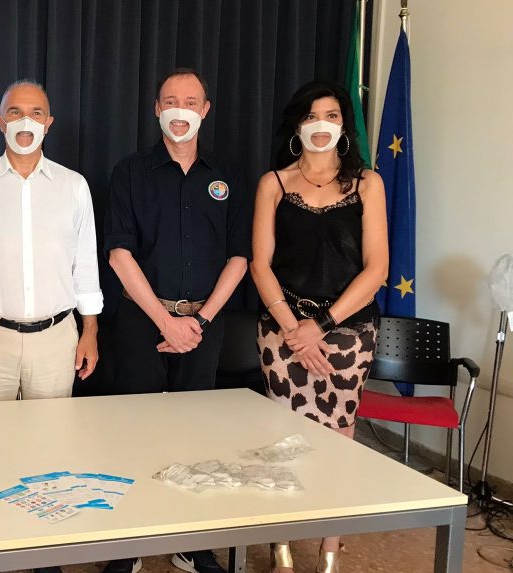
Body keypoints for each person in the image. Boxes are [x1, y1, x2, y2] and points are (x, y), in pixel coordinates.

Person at [102, 68, 250, 573]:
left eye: (190, 101)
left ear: (205, 110)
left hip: (205, 323)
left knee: (194, 435)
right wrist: (165, 322)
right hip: (142, 320)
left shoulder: (227, 175)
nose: (179, 110)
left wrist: (199, 322)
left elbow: (239, 257)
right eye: (170, 101)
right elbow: (119, 254)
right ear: (156, 110)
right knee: (133, 432)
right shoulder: (130, 172)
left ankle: (192, 542)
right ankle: (127, 545)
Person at [250, 81, 388, 573]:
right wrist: (296, 330)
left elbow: (377, 269)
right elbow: (260, 265)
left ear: (344, 125)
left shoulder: (368, 184)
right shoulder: (273, 183)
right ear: (297, 125)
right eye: (311, 116)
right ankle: (282, 542)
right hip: (282, 331)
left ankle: (331, 545)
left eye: (331, 115)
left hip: (348, 333)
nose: (321, 125)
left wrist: (322, 326)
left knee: (339, 438)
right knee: (282, 439)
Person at [0, 80, 103, 402]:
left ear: (48, 124)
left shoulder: (74, 187)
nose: (25, 122)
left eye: (36, 113)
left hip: (55, 340)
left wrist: (90, 332)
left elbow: (85, 267)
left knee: (52, 433)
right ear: (0, 122)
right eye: (15, 112)